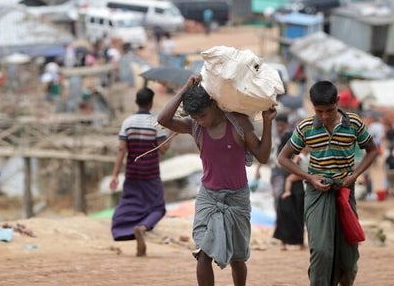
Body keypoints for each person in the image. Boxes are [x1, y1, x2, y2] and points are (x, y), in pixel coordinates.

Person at [157, 75, 276, 286]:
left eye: (202, 115)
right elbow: (163, 120)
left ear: (213, 103)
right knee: (203, 253)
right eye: (196, 117)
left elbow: (263, 156)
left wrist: (267, 122)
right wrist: (185, 88)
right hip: (208, 197)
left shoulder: (238, 123)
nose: (201, 120)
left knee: (238, 258)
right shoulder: (195, 126)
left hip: (237, 197)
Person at [278, 80, 378, 286]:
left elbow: (372, 150)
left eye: (329, 110)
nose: (324, 116)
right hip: (317, 192)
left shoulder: (354, 124)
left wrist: (355, 175)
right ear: (312, 107)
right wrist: (309, 178)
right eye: (319, 111)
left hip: (345, 191)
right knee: (322, 251)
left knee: (348, 259)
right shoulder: (305, 127)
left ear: (338, 102)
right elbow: (283, 158)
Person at [110, 87, 169, 257]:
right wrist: (172, 133)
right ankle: (142, 228)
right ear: (151, 103)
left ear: (136, 102)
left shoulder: (127, 122)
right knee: (158, 208)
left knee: (129, 204)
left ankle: (127, 228)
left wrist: (114, 175)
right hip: (151, 174)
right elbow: (163, 149)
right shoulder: (156, 122)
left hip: (132, 174)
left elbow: (122, 150)